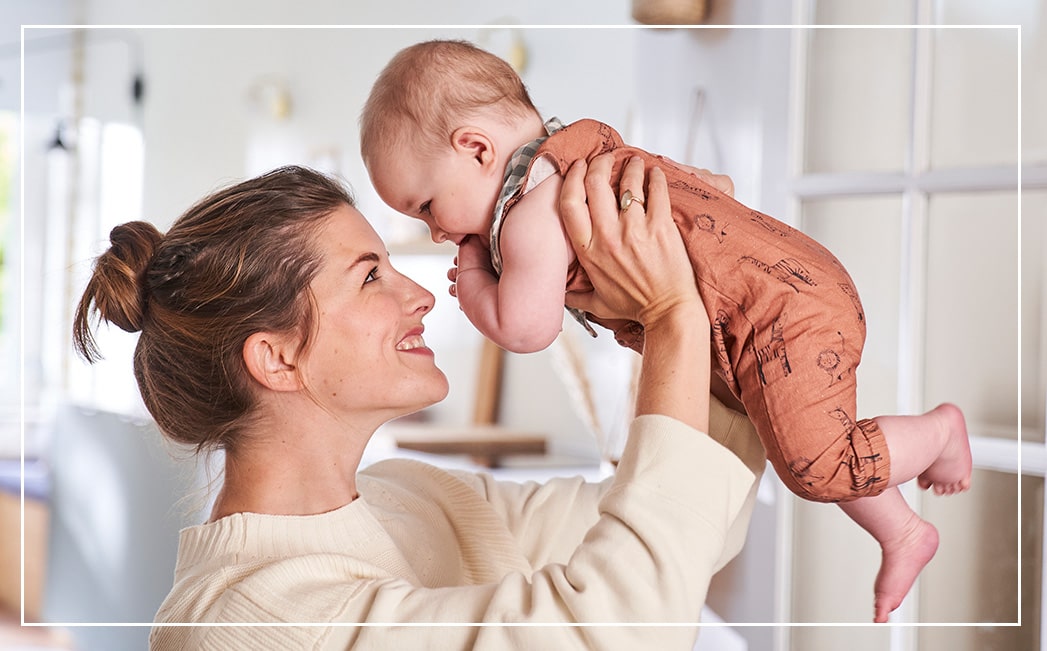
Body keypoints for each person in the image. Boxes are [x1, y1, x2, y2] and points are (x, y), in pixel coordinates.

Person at [360, 39, 973, 623]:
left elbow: (526, 329)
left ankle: (940, 431)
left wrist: (472, 281)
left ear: (475, 149)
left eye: (425, 207)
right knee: (799, 437)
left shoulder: (530, 214)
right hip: (784, 292)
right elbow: (718, 188)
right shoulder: (584, 151)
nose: (438, 233)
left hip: (776, 316)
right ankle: (901, 528)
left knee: (815, 465)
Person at [73, 158, 767, 649]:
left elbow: (694, 524)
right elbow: (614, 626)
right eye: (370, 276)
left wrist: (713, 300)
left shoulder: (413, 496)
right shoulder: (251, 622)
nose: (421, 294)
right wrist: (675, 315)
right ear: (276, 357)